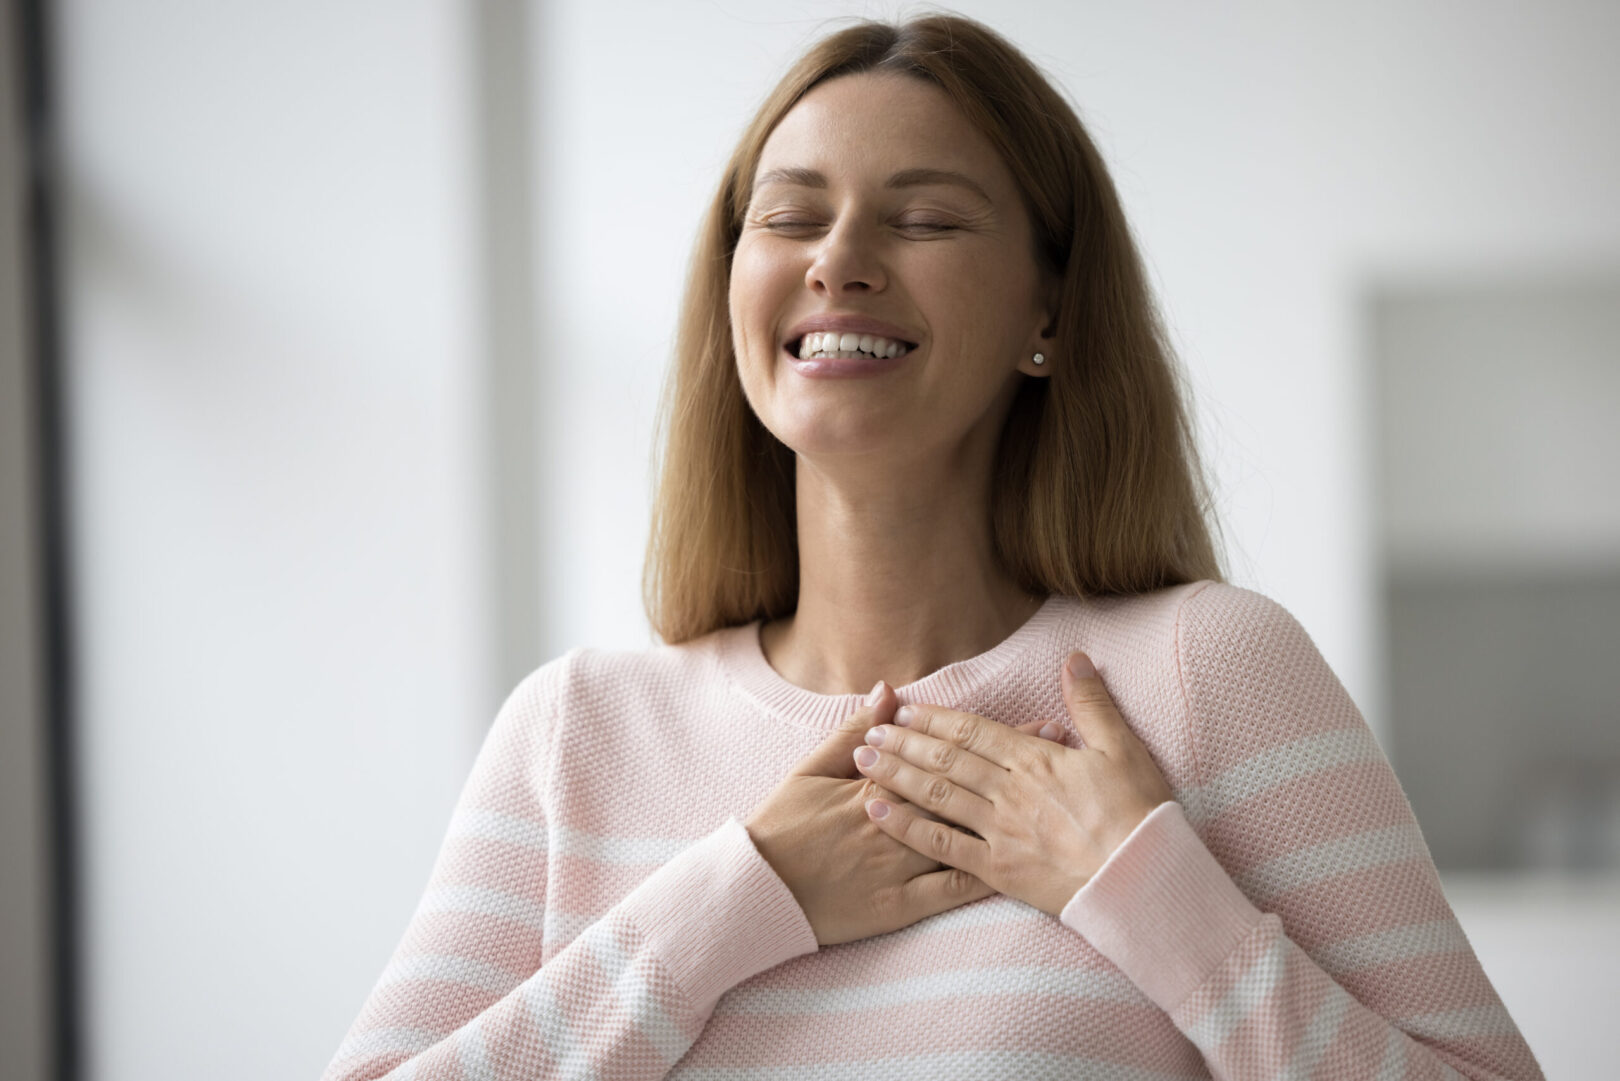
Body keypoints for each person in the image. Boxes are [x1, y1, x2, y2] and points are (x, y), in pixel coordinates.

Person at [321, 14, 1543, 1080]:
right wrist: (732, 904)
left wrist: (1152, 894)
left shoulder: (1203, 675)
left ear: (1046, 312)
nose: (838, 261)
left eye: (925, 220)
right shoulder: (576, 733)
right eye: (790, 215)